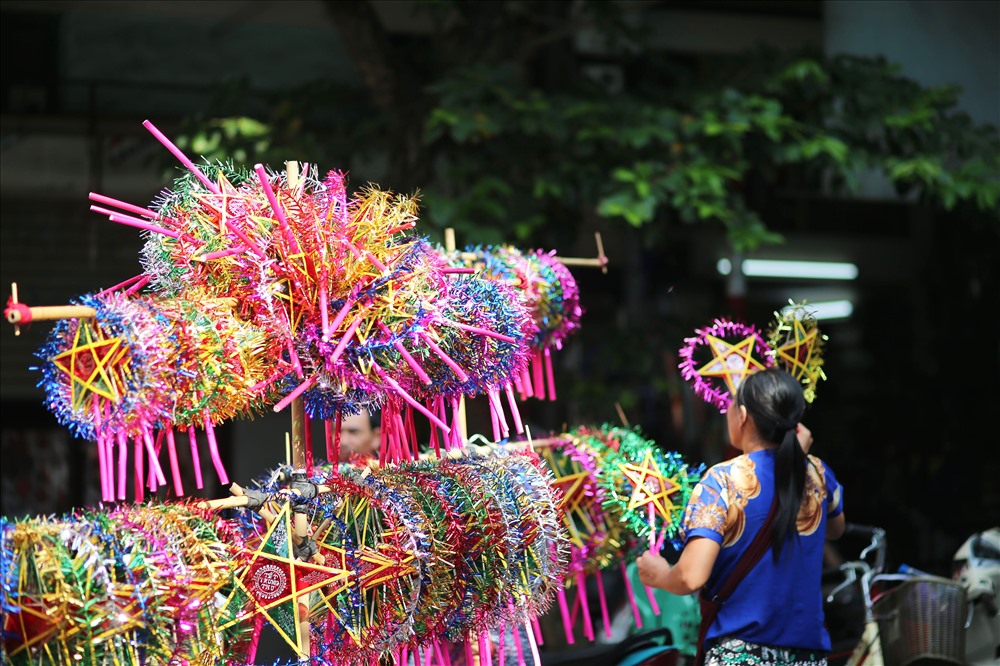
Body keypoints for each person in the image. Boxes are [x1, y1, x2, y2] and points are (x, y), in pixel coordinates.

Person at [637, 367, 845, 666]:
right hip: (808, 656)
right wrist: (801, 461)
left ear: (743, 415)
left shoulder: (722, 481)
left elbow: (691, 576)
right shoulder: (817, 473)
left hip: (741, 654)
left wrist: (660, 576)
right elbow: (837, 528)